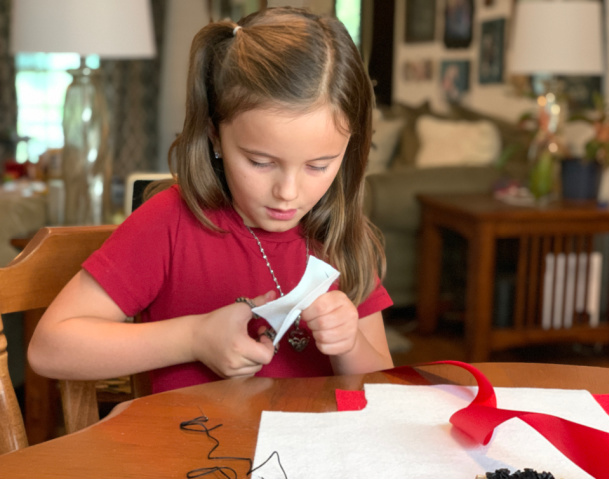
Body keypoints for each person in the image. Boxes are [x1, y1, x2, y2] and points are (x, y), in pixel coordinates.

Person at [28, 7, 394, 394]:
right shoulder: (170, 223)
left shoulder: (343, 237)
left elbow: (384, 388)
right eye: (260, 162)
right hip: (193, 450)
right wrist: (194, 338)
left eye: (318, 165)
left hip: (315, 451)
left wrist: (349, 342)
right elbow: (50, 348)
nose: (288, 192)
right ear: (215, 136)